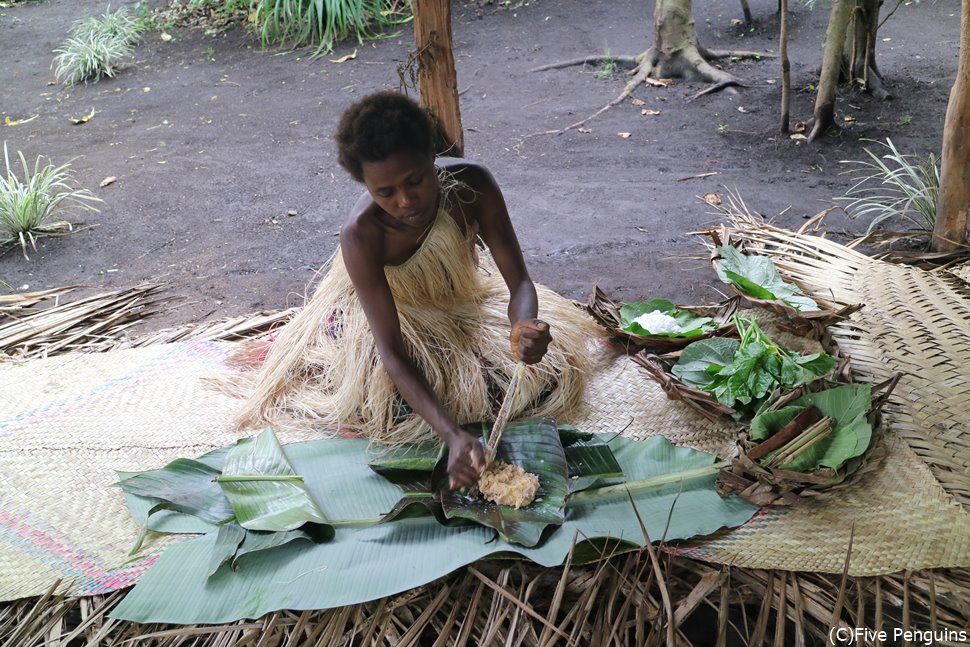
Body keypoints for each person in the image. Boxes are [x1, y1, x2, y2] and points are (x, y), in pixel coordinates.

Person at [230, 91, 606, 488]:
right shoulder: (362, 237)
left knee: (545, 376)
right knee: (389, 406)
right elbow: (391, 351)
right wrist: (452, 435)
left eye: (416, 180)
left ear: (432, 157)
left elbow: (521, 284)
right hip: (393, 317)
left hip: (458, 301)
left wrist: (524, 327)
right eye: (385, 192)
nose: (406, 201)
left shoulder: (472, 186)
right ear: (366, 186)